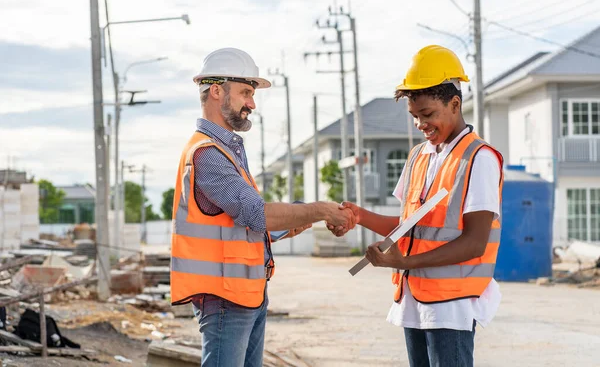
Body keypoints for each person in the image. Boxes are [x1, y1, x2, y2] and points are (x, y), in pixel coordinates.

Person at [169, 47, 355, 367]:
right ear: (216, 90)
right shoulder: (208, 154)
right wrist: (319, 210)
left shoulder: (226, 150)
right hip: (225, 297)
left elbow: (243, 224)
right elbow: (258, 214)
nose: (252, 104)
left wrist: (297, 220)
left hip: (244, 293)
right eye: (245, 93)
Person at [334, 45, 504, 367]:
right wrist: (359, 216)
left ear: (455, 104)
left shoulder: (478, 158)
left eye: (427, 115)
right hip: (415, 298)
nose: (420, 125)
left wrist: (406, 261)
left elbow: (474, 243)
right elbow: (408, 227)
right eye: (414, 117)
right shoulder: (418, 156)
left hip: (450, 304)